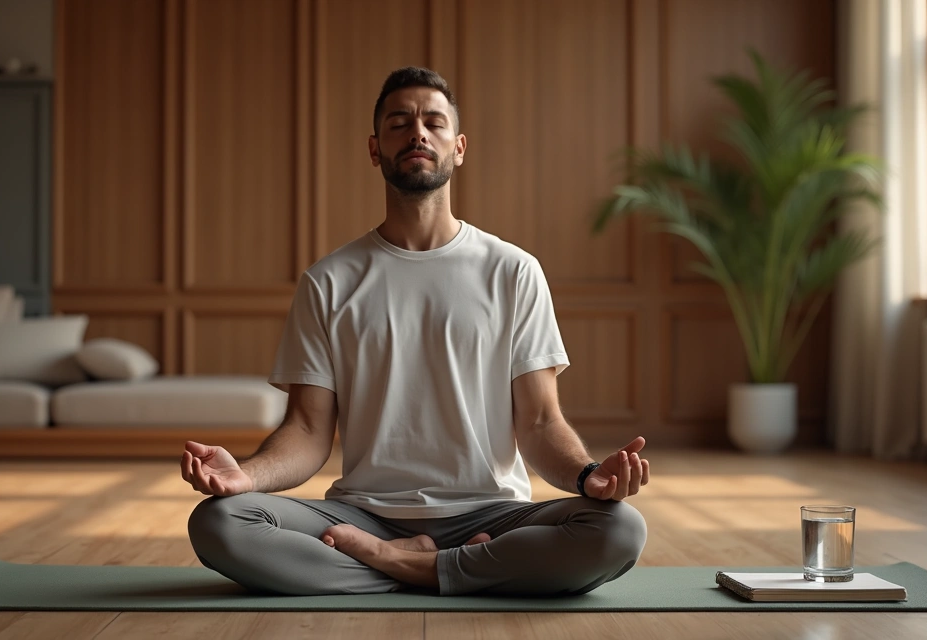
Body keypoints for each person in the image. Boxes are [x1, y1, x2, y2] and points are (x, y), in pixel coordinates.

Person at [183, 67, 650, 597]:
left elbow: (540, 422)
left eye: (433, 121)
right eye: (399, 123)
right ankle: (451, 568)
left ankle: (394, 566)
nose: (418, 133)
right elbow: (308, 433)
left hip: (491, 513)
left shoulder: (514, 271)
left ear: (459, 146)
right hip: (362, 515)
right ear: (376, 148)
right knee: (219, 523)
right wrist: (246, 477)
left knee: (619, 530)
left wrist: (589, 477)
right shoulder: (329, 281)